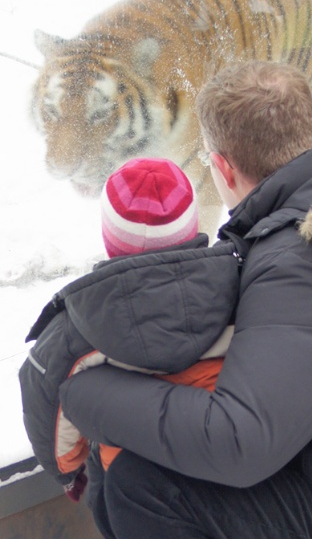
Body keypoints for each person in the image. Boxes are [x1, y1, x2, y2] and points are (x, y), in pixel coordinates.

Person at [58, 60, 312, 539]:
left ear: (222, 166)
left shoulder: (310, 255)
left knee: (142, 484)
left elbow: (240, 444)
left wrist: (80, 392)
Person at [19, 158, 235, 514]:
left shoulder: (81, 323)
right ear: (193, 225)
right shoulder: (236, 283)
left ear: (110, 240)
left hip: (136, 488)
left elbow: (41, 389)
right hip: (234, 454)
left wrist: (68, 472)